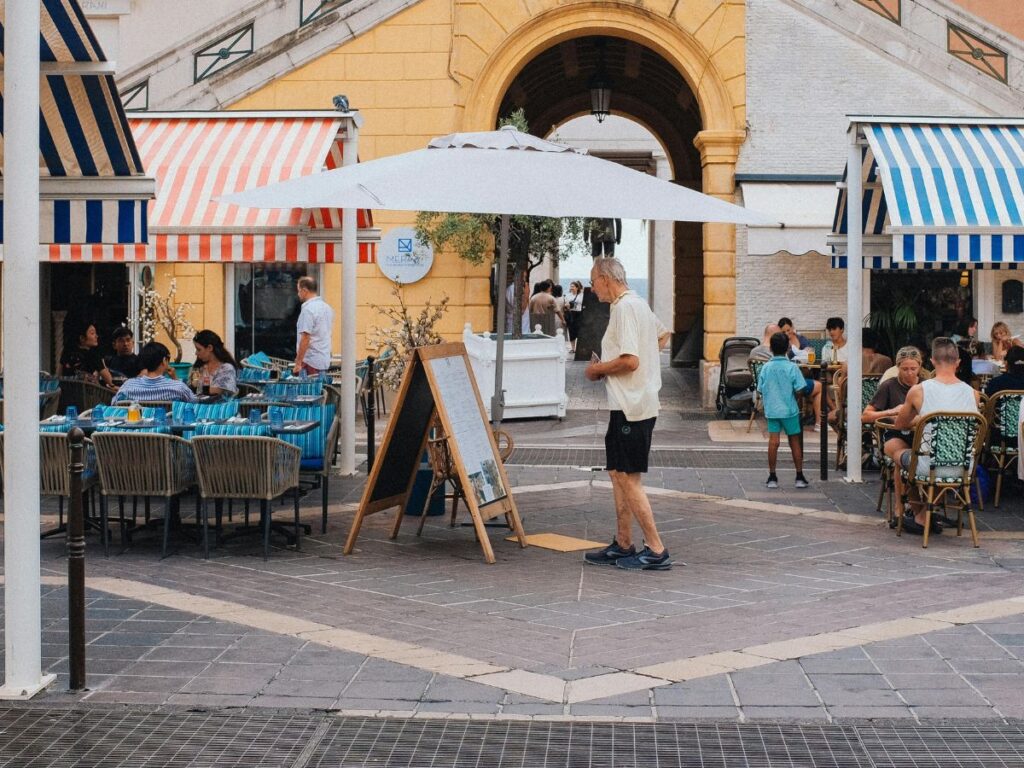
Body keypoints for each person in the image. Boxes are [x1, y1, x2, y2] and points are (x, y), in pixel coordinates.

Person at [584, 257, 672, 571]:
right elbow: (663, 336)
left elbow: (630, 361)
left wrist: (597, 370)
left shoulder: (623, 308)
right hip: (631, 403)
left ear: (607, 278)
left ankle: (656, 548)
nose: (592, 288)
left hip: (632, 407)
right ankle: (623, 542)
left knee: (627, 477)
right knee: (617, 472)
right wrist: (646, 368)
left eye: (594, 280)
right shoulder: (639, 304)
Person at [893, 337, 980, 535]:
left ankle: (919, 515)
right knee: (934, 462)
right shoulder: (973, 394)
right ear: (958, 363)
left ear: (931, 361)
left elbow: (900, 424)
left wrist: (919, 419)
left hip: (928, 466)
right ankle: (925, 514)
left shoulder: (918, 391)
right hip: (963, 467)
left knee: (899, 455)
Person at [862, 346, 924, 515]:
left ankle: (923, 509)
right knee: (901, 457)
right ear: (897, 368)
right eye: (905, 369)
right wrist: (890, 411)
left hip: (922, 436)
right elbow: (865, 416)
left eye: (913, 369)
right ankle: (900, 507)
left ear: (920, 366)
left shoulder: (927, 385)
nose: (910, 373)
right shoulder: (889, 386)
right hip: (895, 434)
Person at [758, 332, 812, 490]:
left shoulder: (766, 367)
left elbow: (760, 389)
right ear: (788, 347)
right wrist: (795, 398)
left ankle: (772, 476)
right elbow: (801, 388)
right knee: (794, 441)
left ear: (771, 348)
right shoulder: (792, 367)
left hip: (772, 410)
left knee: (773, 442)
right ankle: (799, 476)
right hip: (790, 410)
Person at [113, 342, 198, 403]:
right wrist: (175, 379)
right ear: (164, 361)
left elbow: (114, 403)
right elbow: (194, 401)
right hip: (169, 426)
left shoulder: (128, 386)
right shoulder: (178, 388)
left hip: (138, 425)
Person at [293, 276, 334, 376]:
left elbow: (306, 338)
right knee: (320, 390)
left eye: (299, 291)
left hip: (310, 362)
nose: (298, 294)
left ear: (304, 290)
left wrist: (298, 363)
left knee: (308, 391)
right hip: (323, 360)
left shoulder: (308, 310)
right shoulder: (327, 308)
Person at [60, 321, 114, 388]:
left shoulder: (67, 351)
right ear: (82, 338)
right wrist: (102, 363)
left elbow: (60, 374)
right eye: (92, 333)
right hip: (86, 395)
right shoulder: (93, 355)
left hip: (66, 393)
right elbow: (109, 380)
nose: (96, 336)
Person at [191, 329, 239, 396]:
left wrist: (195, 386)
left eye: (199, 349)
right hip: (199, 405)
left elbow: (216, 391)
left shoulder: (226, 369)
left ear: (210, 348)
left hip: (220, 405)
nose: (196, 353)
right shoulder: (200, 366)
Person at [565, 280, 584, 350]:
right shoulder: (568, 295)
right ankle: (573, 348)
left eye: (573, 286)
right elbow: (566, 303)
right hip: (571, 313)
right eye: (571, 286)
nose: (571, 288)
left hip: (579, 313)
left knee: (579, 330)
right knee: (571, 330)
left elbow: (583, 304)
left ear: (577, 287)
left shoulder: (581, 295)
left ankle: (579, 347)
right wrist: (567, 305)